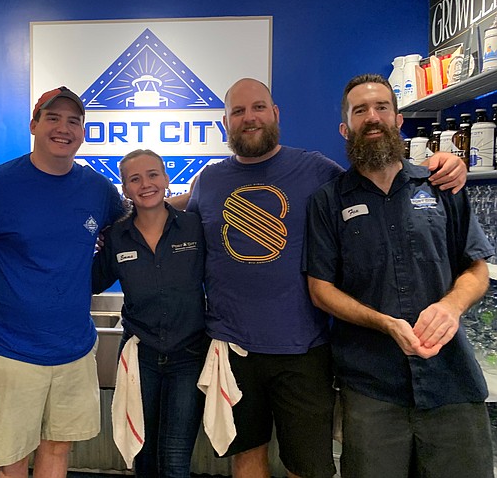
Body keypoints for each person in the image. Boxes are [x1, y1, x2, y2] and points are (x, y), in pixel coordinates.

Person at [179, 78, 467, 478]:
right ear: (223, 122)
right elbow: (175, 213)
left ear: (276, 114)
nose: (250, 118)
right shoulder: (208, 180)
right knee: (246, 458)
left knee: (309, 467)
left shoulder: (316, 169)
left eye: (259, 107)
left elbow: (375, 177)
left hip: (305, 349)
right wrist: (138, 198)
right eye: (238, 111)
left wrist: (443, 163)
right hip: (232, 349)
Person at [305, 73, 494, 478]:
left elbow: (477, 268)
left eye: (381, 108)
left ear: (397, 120)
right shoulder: (328, 201)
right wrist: (384, 323)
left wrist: (451, 306)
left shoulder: (441, 185)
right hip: (371, 388)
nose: (372, 117)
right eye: (360, 111)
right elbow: (320, 290)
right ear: (346, 128)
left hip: (452, 382)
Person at [0, 86, 125, 478]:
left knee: (58, 450)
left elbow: (134, 224)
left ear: (83, 132)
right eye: (52, 118)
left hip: (73, 348)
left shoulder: (98, 190)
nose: (63, 128)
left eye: (74, 121)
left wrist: (194, 200)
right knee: (10, 461)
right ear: (34, 124)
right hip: (9, 354)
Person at [92, 149, 208, 478]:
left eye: (153, 174)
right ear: (125, 189)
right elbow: (91, 282)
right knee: (142, 454)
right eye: (135, 178)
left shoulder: (194, 227)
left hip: (189, 355)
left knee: (174, 459)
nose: (146, 184)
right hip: (139, 358)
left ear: (166, 179)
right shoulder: (117, 237)